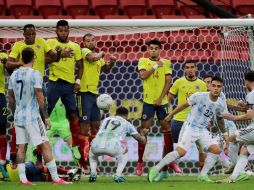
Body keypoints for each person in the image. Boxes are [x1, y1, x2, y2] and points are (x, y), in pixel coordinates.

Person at [6, 24, 72, 166]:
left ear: (35, 34)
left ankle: (37, 154)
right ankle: (19, 154)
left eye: (33, 34)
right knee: (26, 118)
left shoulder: (41, 42)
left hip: (38, 82)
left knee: (38, 118)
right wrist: (22, 63)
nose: (31, 37)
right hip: (25, 81)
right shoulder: (18, 45)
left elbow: (53, 58)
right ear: (23, 35)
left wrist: (59, 53)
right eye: (28, 34)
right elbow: (8, 64)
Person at [148, 76, 228, 183]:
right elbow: (183, 105)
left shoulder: (220, 104)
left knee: (217, 150)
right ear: (209, 86)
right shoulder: (199, 96)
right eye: (213, 86)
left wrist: (224, 134)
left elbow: (220, 120)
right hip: (190, 127)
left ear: (222, 88)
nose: (216, 88)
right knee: (181, 152)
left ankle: (203, 175)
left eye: (218, 86)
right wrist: (171, 114)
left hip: (202, 130)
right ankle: (155, 169)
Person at [136, 39, 177, 176]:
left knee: (167, 130)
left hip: (163, 102)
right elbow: (142, 76)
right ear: (148, 49)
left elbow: (169, 81)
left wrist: (161, 98)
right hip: (148, 102)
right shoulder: (143, 61)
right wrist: (155, 66)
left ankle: (169, 161)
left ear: (160, 49)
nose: (153, 50)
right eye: (151, 48)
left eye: (156, 48)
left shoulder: (166, 62)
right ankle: (140, 162)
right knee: (144, 131)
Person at [46, 20, 83, 161]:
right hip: (54, 82)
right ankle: (37, 150)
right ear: (56, 31)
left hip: (69, 85)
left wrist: (78, 81)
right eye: (60, 30)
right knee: (45, 114)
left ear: (69, 31)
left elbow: (80, 66)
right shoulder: (50, 43)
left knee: (73, 116)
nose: (63, 33)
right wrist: (60, 55)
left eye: (65, 30)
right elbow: (45, 61)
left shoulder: (75, 46)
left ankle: (74, 146)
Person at [77, 33, 116, 169]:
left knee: (96, 128)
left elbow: (105, 69)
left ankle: (92, 160)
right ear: (84, 43)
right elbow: (92, 58)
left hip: (94, 95)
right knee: (84, 129)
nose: (90, 42)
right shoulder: (84, 52)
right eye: (87, 41)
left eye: (93, 40)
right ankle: (82, 161)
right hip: (83, 93)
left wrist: (111, 63)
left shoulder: (98, 58)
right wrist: (101, 54)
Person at [89, 107, 147, 183]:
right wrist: (143, 134)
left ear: (116, 114)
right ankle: (118, 175)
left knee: (92, 152)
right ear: (127, 116)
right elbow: (141, 140)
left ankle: (93, 173)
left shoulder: (106, 120)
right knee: (125, 151)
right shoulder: (127, 123)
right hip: (113, 147)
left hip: (97, 145)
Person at [217, 71, 254, 183]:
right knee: (244, 150)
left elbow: (251, 115)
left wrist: (233, 118)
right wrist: (243, 107)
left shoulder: (252, 94)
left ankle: (233, 164)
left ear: (247, 81)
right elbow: (249, 110)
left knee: (231, 138)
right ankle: (232, 178)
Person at [7, 161, 81, 182]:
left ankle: (67, 177)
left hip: (18, 178)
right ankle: (67, 173)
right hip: (24, 169)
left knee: (42, 177)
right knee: (42, 169)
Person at [0, 50, 8, 179]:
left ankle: (2, 163)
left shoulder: (3, 56)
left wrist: (7, 63)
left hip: (0, 96)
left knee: (2, 128)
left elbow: (10, 70)